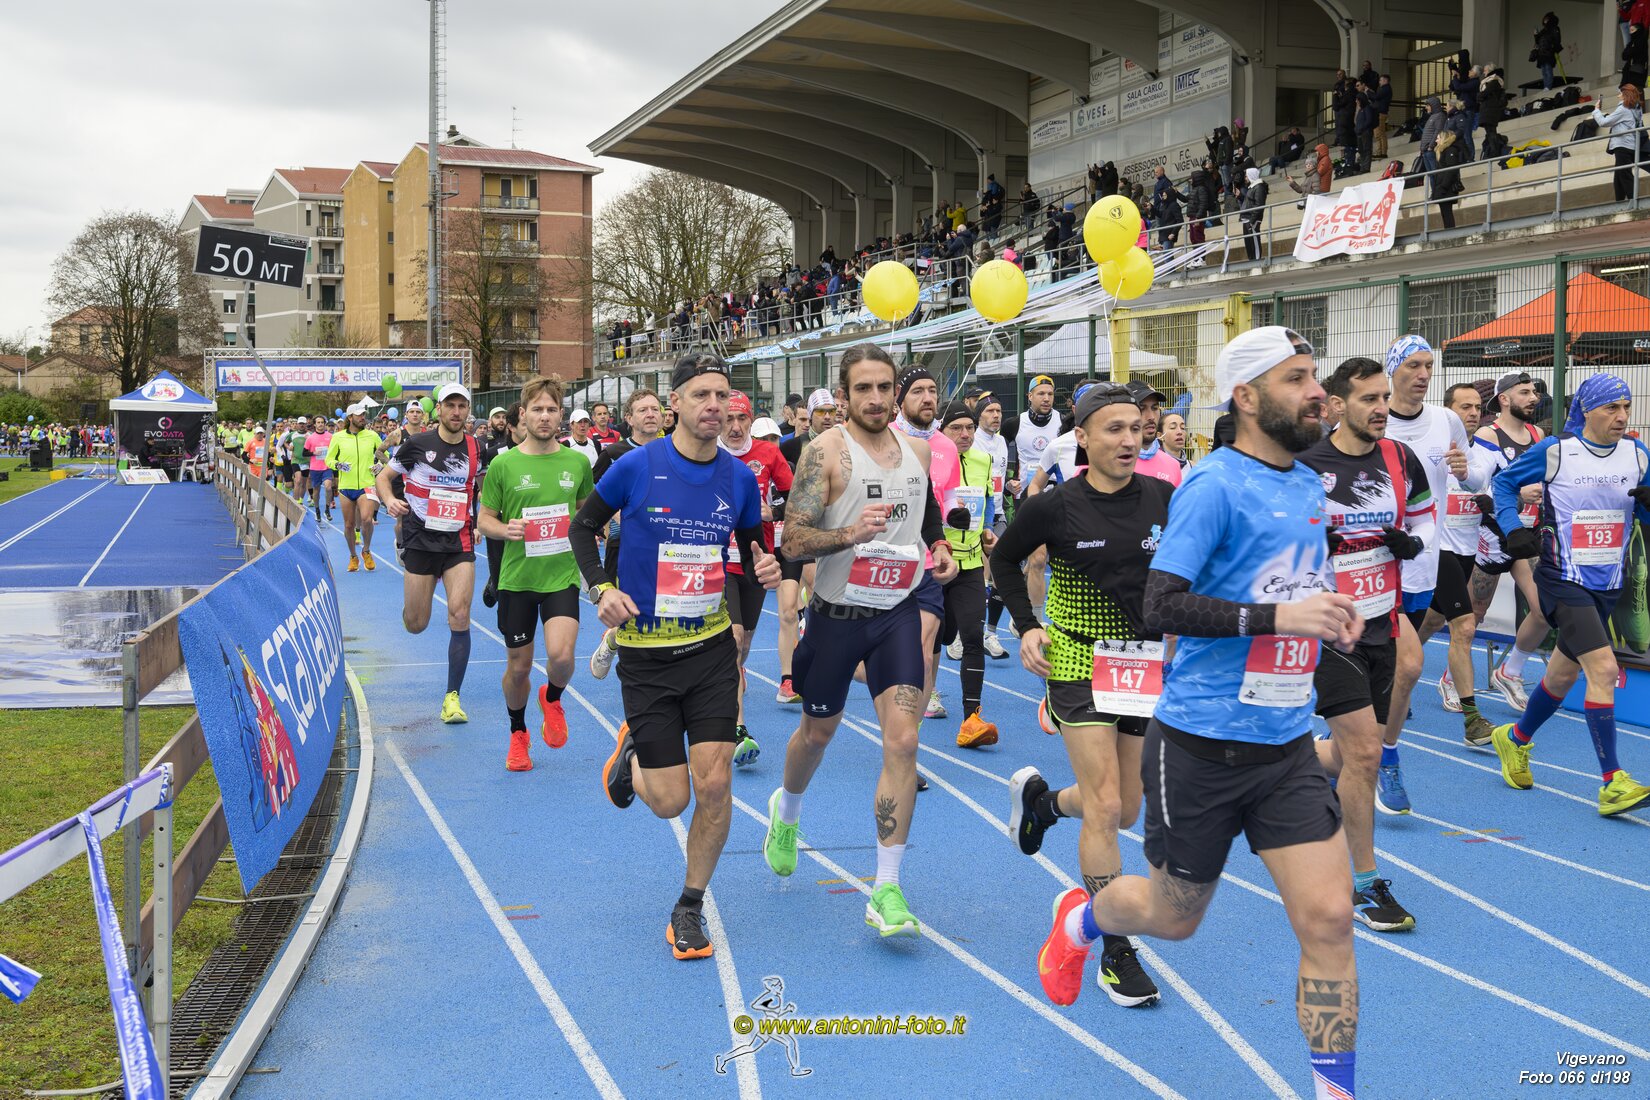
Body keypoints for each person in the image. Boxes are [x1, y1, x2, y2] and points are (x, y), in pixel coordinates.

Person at [1034, 327, 1362, 1100]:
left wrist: (1327, 610)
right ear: (1246, 397)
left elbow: (1284, 585)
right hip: (1200, 746)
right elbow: (1162, 604)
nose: (1317, 392)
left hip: (1285, 744)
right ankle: (1081, 922)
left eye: (1315, 376)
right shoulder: (1212, 485)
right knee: (1173, 917)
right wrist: (1280, 619)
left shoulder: (1307, 485)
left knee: (1330, 920)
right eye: (1297, 379)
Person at [570, 353, 779, 961]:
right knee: (670, 801)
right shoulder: (637, 466)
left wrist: (767, 566)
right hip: (647, 656)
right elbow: (582, 529)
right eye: (701, 395)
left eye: (723, 396)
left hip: (710, 651)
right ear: (676, 404)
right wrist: (600, 589)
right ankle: (634, 749)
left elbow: (752, 548)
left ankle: (689, 904)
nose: (714, 405)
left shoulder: (739, 479)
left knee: (715, 783)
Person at [762, 343, 958, 938]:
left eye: (884, 387)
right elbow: (793, 542)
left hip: (897, 613)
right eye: (863, 388)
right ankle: (787, 810)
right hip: (836, 617)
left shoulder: (917, 450)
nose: (875, 398)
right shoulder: (824, 451)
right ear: (844, 395)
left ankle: (886, 887)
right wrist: (850, 533)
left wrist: (939, 546)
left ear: (896, 393)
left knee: (904, 740)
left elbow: (927, 512)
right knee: (816, 734)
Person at [1000, 381, 1171, 1008]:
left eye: (1137, 427)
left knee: (1125, 810)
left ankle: (1043, 804)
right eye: (1114, 429)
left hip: (1141, 665)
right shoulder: (1055, 506)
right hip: (1076, 656)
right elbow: (1004, 561)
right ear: (1082, 437)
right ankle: (1114, 948)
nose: (1129, 439)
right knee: (1105, 807)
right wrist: (1027, 625)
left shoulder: (1165, 498)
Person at [1302, 357, 1436, 932]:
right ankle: (1363, 883)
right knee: (1363, 755)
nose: (1382, 408)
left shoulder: (1400, 458)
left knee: (1358, 752)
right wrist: (1315, 547)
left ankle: (1281, 759)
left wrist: (1413, 542)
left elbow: (1427, 517)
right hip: (1328, 630)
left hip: (1382, 620)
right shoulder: (1306, 466)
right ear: (1336, 406)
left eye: (1385, 398)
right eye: (1369, 399)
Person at [1491, 374, 1650, 817]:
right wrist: (1512, 529)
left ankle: (1515, 739)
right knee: (1603, 668)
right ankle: (1612, 782)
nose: (1621, 416)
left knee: (1561, 677)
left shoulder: (1638, 454)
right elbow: (1503, 485)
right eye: (1611, 408)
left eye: (1626, 407)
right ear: (1588, 410)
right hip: (1562, 579)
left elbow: (1644, 511)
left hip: (1608, 582)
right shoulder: (1556, 451)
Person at [1376, 337, 1485, 811]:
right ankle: (1383, 755)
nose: (1423, 374)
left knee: (1399, 673)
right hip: (1373, 568)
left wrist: (1465, 470)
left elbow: (1476, 477)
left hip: (1425, 563)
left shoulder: (1446, 420)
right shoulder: (1374, 419)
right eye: (1413, 365)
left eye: (1428, 365)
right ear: (1393, 370)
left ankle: (1359, 745)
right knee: (1403, 665)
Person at [477, 378, 593, 772]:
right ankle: (518, 733)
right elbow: (484, 519)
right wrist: (504, 529)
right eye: (537, 409)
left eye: (551, 409)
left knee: (561, 657)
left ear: (561, 415)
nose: (545, 416)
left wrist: (591, 526)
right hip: (517, 580)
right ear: (523, 415)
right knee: (519, 668)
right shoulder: (503, 464)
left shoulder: (577, 463)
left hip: (561, 577)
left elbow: (585, 509)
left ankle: (553, 697)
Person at [377, 383, 484, 725]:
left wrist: (478, 520)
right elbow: (384, 477)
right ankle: (412, 607)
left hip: (458, 542)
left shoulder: (475, 446)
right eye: (450, 405)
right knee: (417, 624)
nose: (456, 412)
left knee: (460, 614)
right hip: (421, 539)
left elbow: (476, 489)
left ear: (467, 410)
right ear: (438, 409)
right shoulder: (417, 444)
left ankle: (452, 697)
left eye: (462, 406)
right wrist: (390, 500)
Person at [720, 389, 793, 765]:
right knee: (733, 638)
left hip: (756, 560)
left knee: (745, 640)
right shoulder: (707, 453)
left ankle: (735, 671)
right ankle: (738, 728)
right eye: (728, 419)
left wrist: (773, 511)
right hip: (717, 563)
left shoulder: (767, 454)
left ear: (751, 420)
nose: (735, 427)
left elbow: (796, 495)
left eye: (742, 419)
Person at [1473, 371, 1552, 707]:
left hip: (1526, 537)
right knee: (1473, 616)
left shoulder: (1539, 435)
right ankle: (1451, 677)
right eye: (1524, 392)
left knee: (1545, 610)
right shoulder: (1487, 435)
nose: (1533, 398)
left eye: (1534, 392)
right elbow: (1478, 488)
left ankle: (1510, 671)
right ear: (1504, 399)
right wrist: (1519, 496)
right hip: (1493, 536)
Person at [891, 366, 964, 722]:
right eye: (918, 391)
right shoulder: (883, 437)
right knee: (878, 655)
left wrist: (957, 515)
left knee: (924, 647)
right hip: (885, 559)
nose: (928, 398)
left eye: (932, 390)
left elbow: (944, 498)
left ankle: (909, 733)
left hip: (930, 560)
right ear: (899, 398)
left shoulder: (946, 445)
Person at [587, 388, 665, 680]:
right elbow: (594, 491)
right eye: (643, 410)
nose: (650, 415)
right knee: (627, 610)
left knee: (657, 612)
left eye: (655, 409)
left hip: (664, 545)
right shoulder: (614, 453)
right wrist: (616, 517)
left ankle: (619, 644)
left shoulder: (673, 450)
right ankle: (614, 640)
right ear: (629, 419)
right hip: (623, 542)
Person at [935, 403, 999, 747]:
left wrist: (987, 529)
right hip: (935, 564)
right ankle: (928, 692)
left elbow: (987, 500)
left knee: (973, 637)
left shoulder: (983, 459)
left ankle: (971, 718)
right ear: (942, 430)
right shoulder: (931, 458)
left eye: (970, 428)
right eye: (956, 428)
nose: (965, 434)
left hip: (971, 563)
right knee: (938, 638)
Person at [773, 389, 839, 703]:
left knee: (822, 602)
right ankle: (788, 681)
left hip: (831, 534)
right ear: (809, 416)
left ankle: (816, 658)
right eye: (821, 412)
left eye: (831, 411)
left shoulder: (845, 445)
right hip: (795, 536)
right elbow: (776, 490)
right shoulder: (790, 446)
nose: (827, 417)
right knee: (788, 610)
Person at [999, 375, 1063, 626]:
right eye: (1041, 394)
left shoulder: (1063, 422)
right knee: (1037, 559)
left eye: (1050, 394)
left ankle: (1027, 580)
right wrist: (1008, 482)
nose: (1046, 398)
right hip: (1027, 497)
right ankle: (1034, 621)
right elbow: (998, 455)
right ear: (1029, 396)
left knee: (1046, 560)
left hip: (1057, 497)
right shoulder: (1014, 424)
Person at [973, 396, 1013, 660]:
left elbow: (999, 478)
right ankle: (965, 634)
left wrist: (1009, 487)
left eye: (998, 410)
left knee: (1003, 573)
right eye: (990, 411)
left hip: (997, 513)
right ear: (979, 415)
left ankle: (990, 633)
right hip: (973, 517)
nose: (996, 415)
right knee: (976, 578)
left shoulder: (1001, 442)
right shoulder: (970, 438)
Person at [325, 404, 385, 572]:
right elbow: (329, 460)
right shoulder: (338, 437)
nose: (362, 417)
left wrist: (380, 465)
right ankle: (353, 556)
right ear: (350, 418)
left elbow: (385, 455)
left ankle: (366, 550)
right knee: (349, 525)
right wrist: (338, 465)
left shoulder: (372, 435)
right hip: (346, 487)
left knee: (367, 519)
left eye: (363, 414)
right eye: (358, 415)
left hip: (366, 484)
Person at [479, 406, 516, 608]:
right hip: (496, 511)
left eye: (503, 417)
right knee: (498, 557)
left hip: (520, 511)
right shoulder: (488, 447)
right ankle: (495, 583)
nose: (500, 421)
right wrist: (482, 492)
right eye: (497, 417)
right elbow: (479, 474)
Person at [1594, 83, 1649, 202]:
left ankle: (1633, 201)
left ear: (1625, 95)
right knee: (1619, 175)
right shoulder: (1637, 108)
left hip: (1622, 145)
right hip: (1631, 144)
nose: (1618, 95)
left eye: (1620, 93)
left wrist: (1596, 110)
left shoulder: (1623, 109)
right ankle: (1619, 201)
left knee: (1624, 174)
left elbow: (1603, 122)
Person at [1533, 11, 1563, 91]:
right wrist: (1535, 35)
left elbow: (1557, 40)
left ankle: (1548, 86)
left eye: (1547, 19)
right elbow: (1537, 42)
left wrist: (1553, 48)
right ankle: (1546, 86)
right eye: (1545, 19)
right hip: (1542, 53)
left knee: (1548, 69)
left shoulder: (1554, 28)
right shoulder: (1543, 31)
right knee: (1544, 71)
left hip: (1549, 52)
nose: (1545, 20)